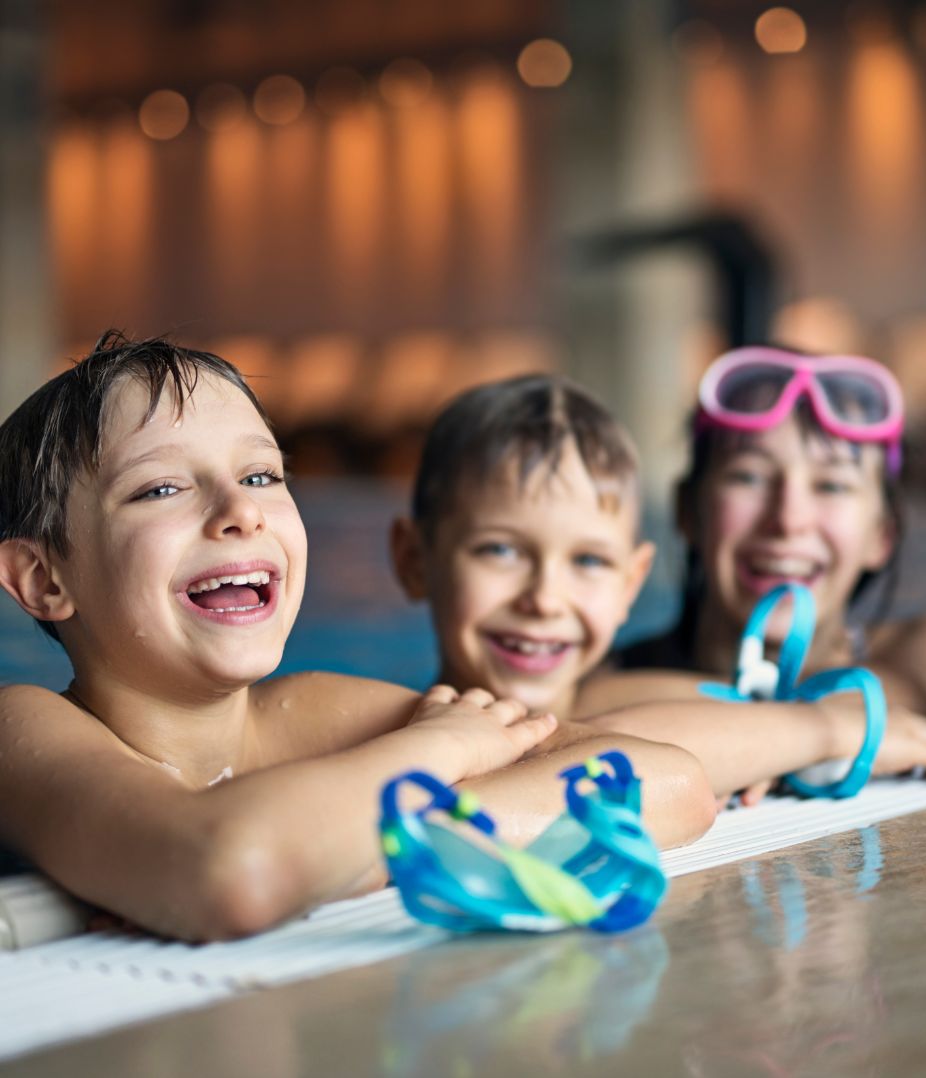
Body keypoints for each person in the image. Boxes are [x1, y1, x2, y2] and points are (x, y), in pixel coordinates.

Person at [0, 332, 719, 942]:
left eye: (261, 474)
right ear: (42, 579)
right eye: (161, 488)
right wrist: (439, 753)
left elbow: (671, 785)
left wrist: (364, 841)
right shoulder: (23, 730)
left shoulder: (305, 713)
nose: (240, 512)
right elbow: (231, 870)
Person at [389, 373, 926, 805]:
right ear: (414, 560)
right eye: (501, 550)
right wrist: (819, 734)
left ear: (630, 583)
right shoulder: (370, 719)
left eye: (588, 560)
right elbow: (591, 750)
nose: (544, 598)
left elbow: (822, 702)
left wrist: (794, 737)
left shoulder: (637, 695)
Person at [581, 345, 926, 728]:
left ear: (882, 536)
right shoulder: (604, 683)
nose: (789, 520)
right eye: (749, 477)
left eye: (832, 485)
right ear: (689, 512)